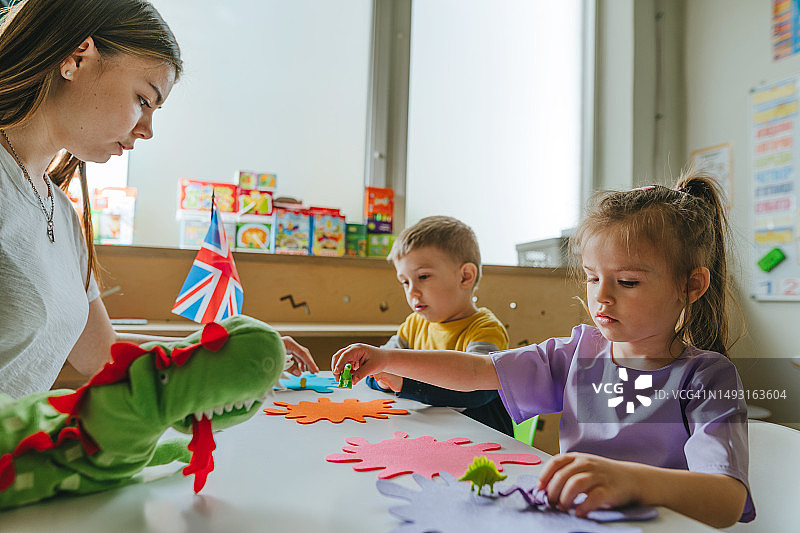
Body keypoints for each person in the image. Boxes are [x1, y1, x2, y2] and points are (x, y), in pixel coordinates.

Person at [333, 173, 754, 528]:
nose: (601, 298)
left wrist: (632, 481)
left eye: (627, 282)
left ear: (691, 286)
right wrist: (388, 358)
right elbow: (480, 371)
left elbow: (727, 499)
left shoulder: (707, 378)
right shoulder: (578, 352)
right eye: (592, 279)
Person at [0, 0, 317, 399]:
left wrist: (230, 352)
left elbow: (106, 355)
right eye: (143, 100)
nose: (147, 130)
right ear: (77, 58)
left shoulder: (59, 211)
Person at [364, 215, 513, 436]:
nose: (412, 291)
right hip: (428, 436)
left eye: (423, 276)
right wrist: (384, 382)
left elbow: (477, 392)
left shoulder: (486, 330)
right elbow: (378, 367)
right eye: (405, 282)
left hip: (481, 445)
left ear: (465, 276)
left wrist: (404, 383)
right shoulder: (414, 324)